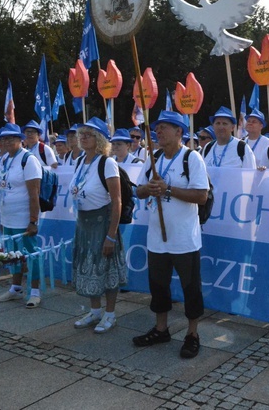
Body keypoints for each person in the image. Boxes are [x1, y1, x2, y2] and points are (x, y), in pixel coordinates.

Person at [134, 110, 209, 359]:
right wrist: (149, 188)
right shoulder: (153, 157)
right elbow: (139, 191)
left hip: (184, 238)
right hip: (156, 236)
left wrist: (168, 189)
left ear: (179, 132)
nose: (158, 131)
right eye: (157, 128)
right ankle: (161, 328)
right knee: (158, 286)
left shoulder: (192, 158)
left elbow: (201, 196)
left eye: (164, 127)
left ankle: (192, 334)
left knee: (190, 287)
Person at [69, 118, 127, 333]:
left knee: (106, 268)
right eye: (81, 134)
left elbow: (117, 201)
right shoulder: (79, 161)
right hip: (84, 223)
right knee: (89, 267)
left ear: (100, 139)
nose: (83, 137)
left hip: (102, 223)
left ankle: (110, 314)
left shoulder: (107, 163)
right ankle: (95, 311)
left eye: (89, 134)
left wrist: (111, 235)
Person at [0, 123, 43, 309]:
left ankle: (35, 291)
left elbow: (34, 193)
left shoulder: (28, 160)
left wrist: (33, 220)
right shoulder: (6, 159)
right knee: (13, 254)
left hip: (23, 216)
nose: (6, 142)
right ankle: (15, 287)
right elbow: (3, 188)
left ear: (20, 140)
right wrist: (1, 218)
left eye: (10, 138)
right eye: (3, 138)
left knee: (31, 253)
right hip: (8, 216)